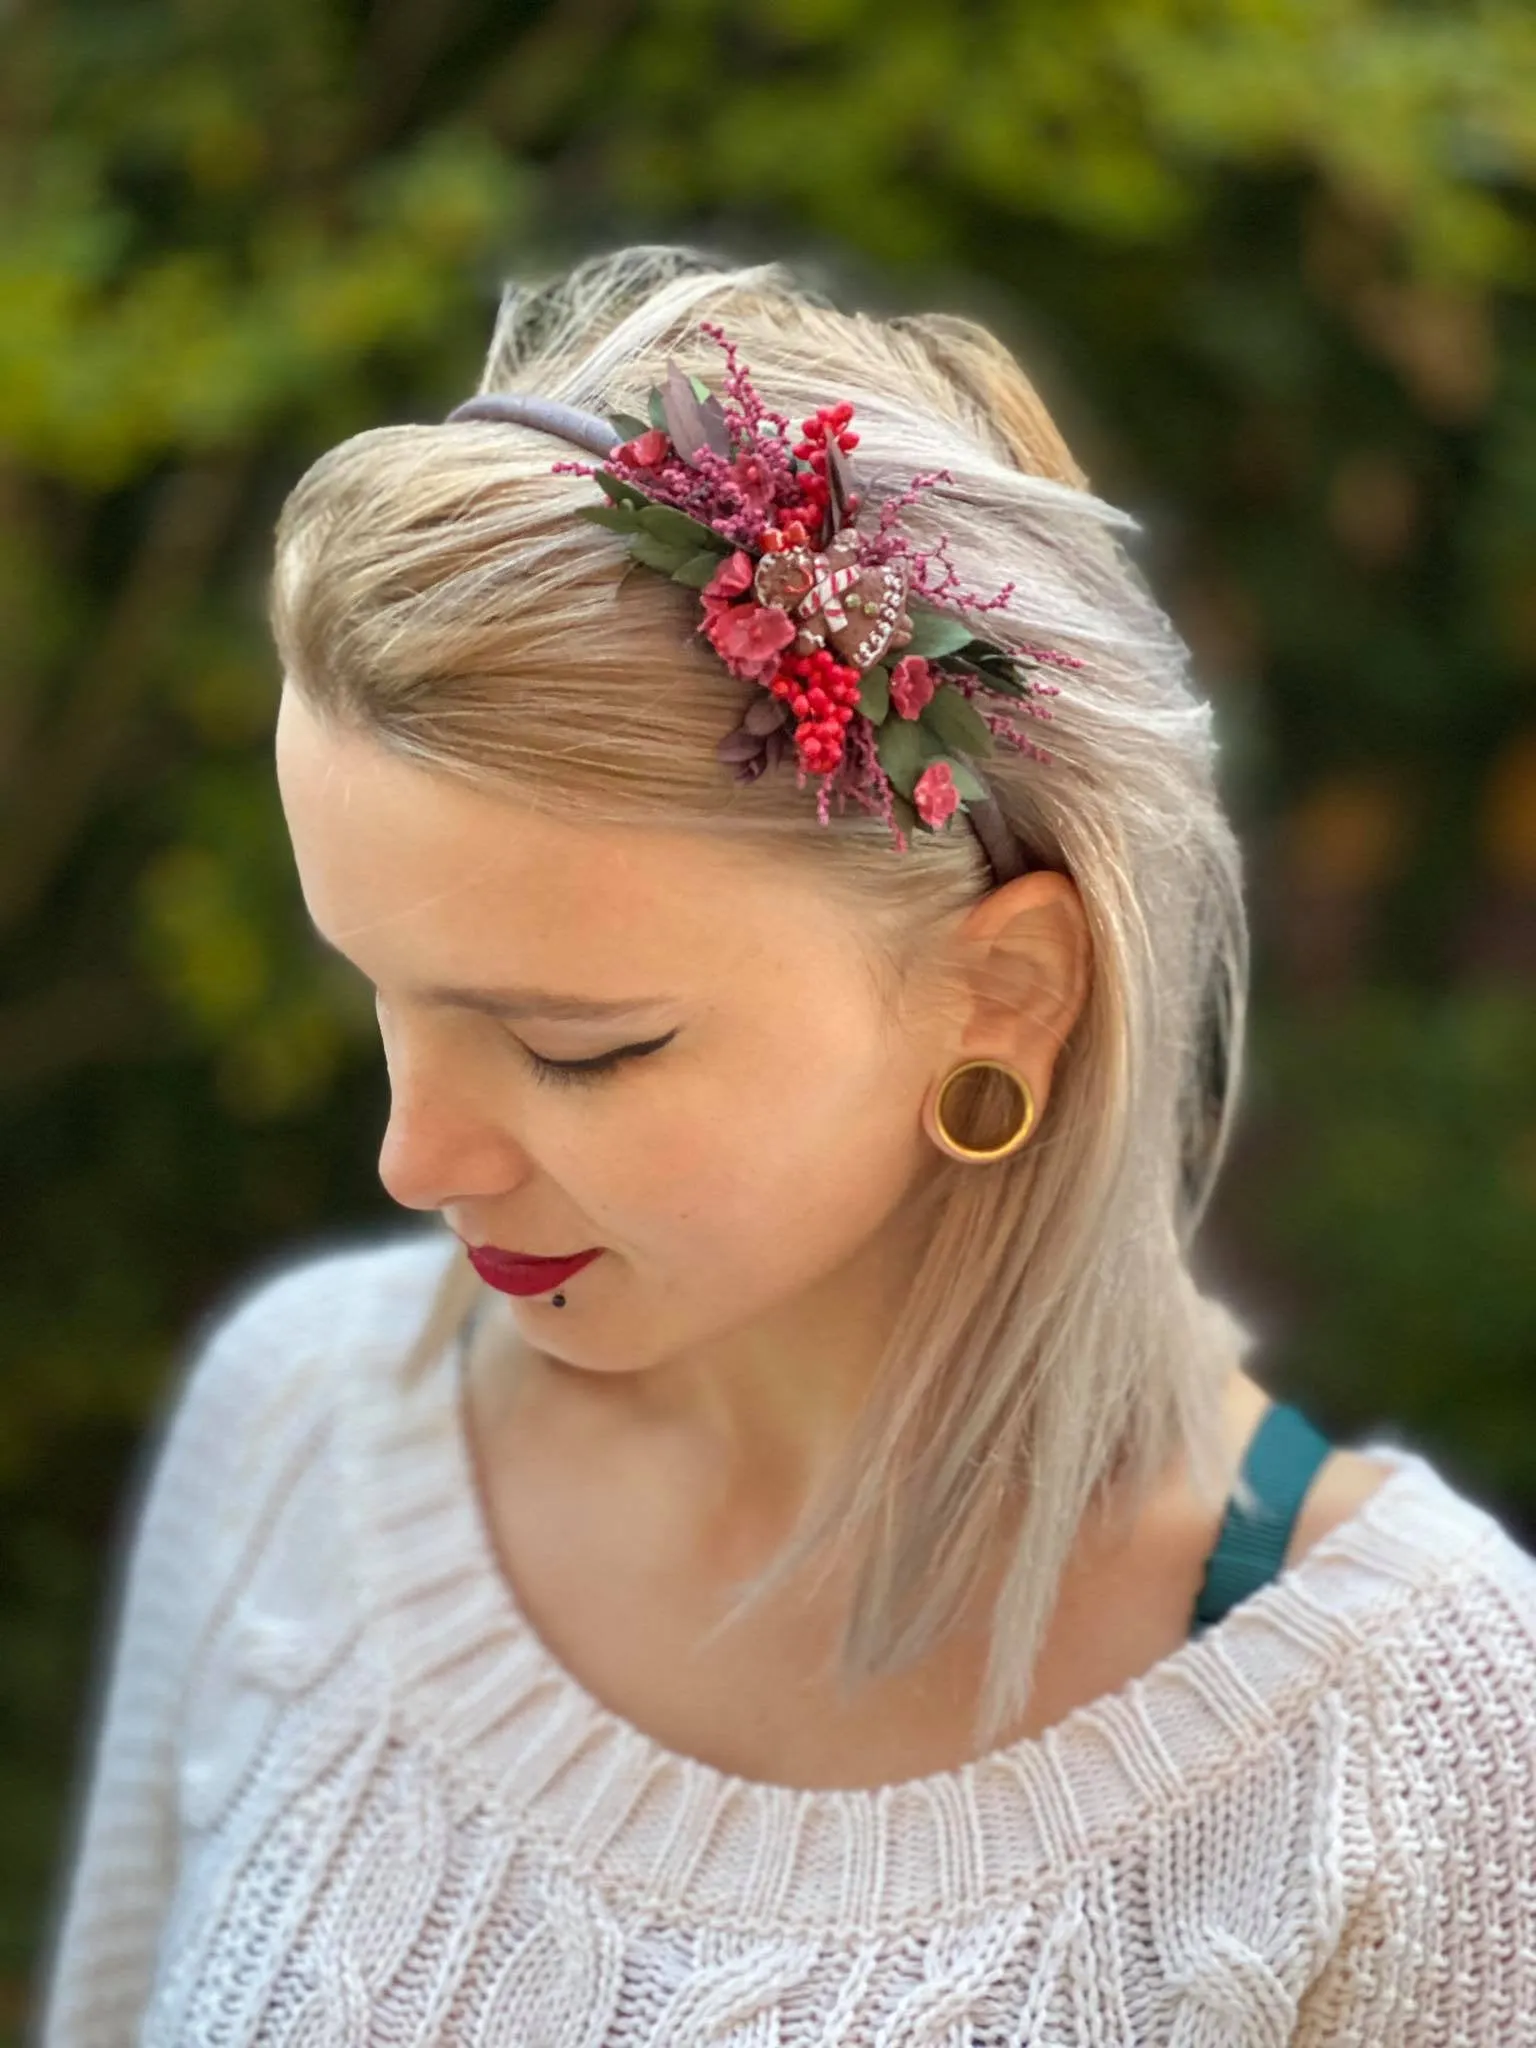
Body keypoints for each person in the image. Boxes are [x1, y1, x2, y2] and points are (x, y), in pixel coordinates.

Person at [34, 246, 1536, 2047]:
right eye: (379, 990)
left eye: (577, 1048)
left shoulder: (1413, 1734)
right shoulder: (292, 1426)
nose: (413, 1158)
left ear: (1006, 990)